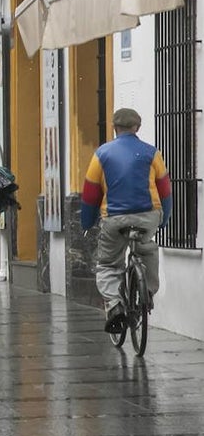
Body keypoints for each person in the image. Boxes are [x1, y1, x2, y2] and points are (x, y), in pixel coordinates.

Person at [80, 108, 171, 333]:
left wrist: (87, 222)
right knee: (147, 249)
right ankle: (146, 291)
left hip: (114, 218)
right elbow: (165, 190)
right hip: (148, 215)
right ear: (137, 127)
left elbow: (90, 194)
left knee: (108, 264)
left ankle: (115, 306)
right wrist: (164, 219)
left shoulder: (102, 154)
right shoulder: (152, 153)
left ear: (114, 128)